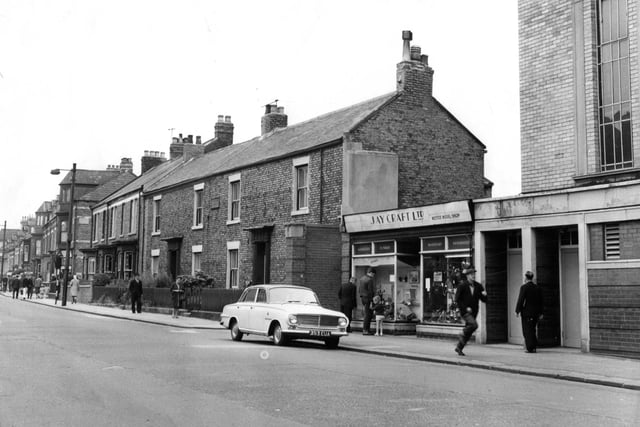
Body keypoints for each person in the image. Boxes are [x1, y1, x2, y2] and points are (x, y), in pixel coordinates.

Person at [454, 264, 488, 356]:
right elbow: (457, 299)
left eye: (474, 274)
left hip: (474, 312)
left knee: (470, 331)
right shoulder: (462, 285)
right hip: (465, 312)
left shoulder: (478, 286)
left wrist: (485, 295)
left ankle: (459, 347)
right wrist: (465, 308)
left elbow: (484, 300)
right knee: (474, 325)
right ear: (467, 275)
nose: (473, 275)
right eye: (471, 274)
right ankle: (463, 332)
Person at [515, 271, 544, 353]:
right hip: (535, 313)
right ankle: (534, 346)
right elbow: (541, 301)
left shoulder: (524, 287)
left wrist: (517, 310)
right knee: (533, 329)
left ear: (526, 278)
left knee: (527, 330)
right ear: (532, 278)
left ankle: (530, 348)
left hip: (527, 313)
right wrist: (541, 313)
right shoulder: (538, 288)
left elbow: (521, 299)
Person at [358, 267, 376, 335]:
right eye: (373, 274)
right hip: (368, 298)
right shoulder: (370, 280)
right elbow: (371, 291)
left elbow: (359, 289)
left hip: (363, 298)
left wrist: (362, 296)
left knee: (367, 314)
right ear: (371, 273)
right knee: (368, 315)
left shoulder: (362, 278)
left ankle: (366, 330)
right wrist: (372, 300)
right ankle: (366, 330)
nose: (373, 276)